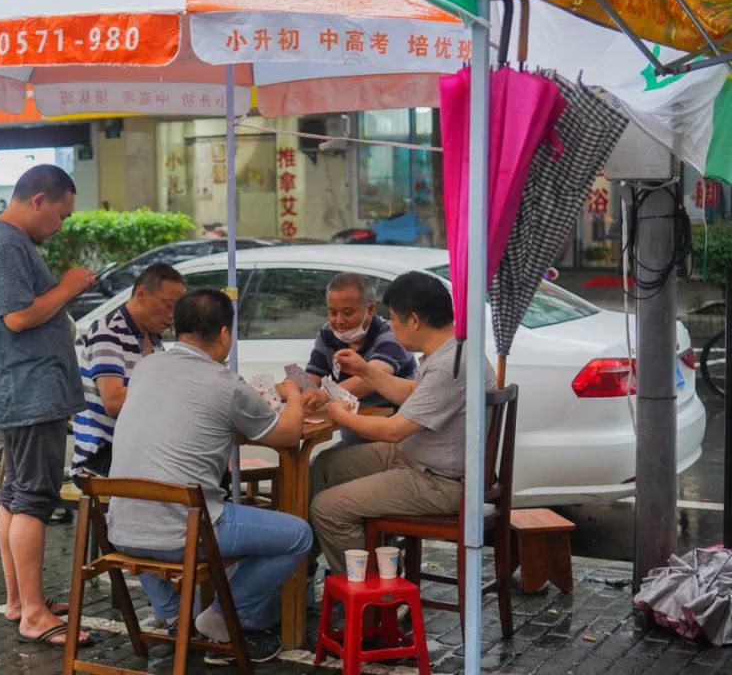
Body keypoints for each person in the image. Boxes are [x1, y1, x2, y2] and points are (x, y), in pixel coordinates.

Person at [105, 289, 313, 664]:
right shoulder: (226, 383)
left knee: (154, 510)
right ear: (224, 333)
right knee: (298, 536)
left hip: (121, 530)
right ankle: (221, 618)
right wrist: (294, 395)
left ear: (178, 329)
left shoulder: (147, 367)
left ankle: (173, 616)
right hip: (187, 531)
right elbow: (287, 434)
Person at [0, 164, 94, 648]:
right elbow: (18, 317)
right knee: (33, 498)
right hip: (29, 391)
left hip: (25, 390)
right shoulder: (5, 244)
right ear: (39, 200)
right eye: (61, 215)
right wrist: (68, 287)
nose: (60, 226)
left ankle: (21, 602)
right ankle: (34, 615)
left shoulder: (8, 241)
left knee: (15, 495)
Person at [309, 271, 496, 577]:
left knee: (328, 508)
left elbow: (394, 430)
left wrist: (341, 415)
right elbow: (410, 392)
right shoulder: (453, 351)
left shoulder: (451, 365)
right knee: (325, 465)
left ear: (414, 320)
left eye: (394, 319)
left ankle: (369, 591)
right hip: (415, 459)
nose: (391, 326)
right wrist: (366, 371)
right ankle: (306, 565)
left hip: (439, 481)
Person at [70, 263, 187, 476]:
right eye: (168, 305)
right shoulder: (109, 332)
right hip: (102, 460)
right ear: (141, 294)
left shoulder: (154, 339)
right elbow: (114, 402)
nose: (172, 315)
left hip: (138, 455)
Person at [301, 272, 417, 446]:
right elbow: (311, 378)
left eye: (347, 312)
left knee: (326, 462)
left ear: (370, 309)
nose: (339, 320)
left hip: (396, 440)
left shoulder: (392, 334)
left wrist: (324, 395)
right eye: (332, 312)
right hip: (353, 438)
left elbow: (371, 378)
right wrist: (297, 389)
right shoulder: (327, 333)